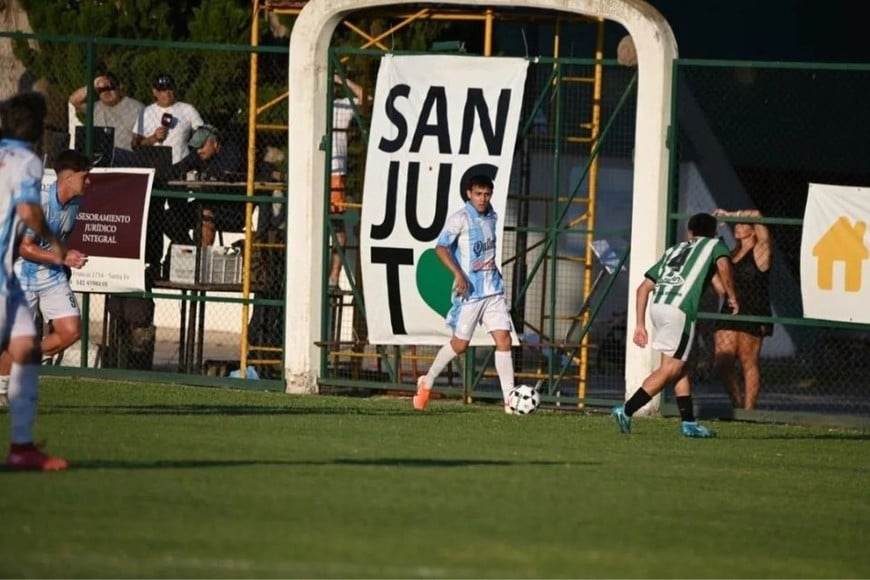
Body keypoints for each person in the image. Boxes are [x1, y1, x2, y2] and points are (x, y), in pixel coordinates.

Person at [612, 212, 739, 438]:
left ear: (690, 232)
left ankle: (689, 423)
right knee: (670, 369)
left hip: (658, 307)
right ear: (713, 233)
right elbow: (723, 264)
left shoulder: (674, 250)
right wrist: (731, 296)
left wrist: (640, 325)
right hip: (679, 311)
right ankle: (627, 409)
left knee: (679, 366)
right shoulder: (714, 245)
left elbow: (643, 289)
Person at [0, 91, 70, 470]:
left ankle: (22, 447)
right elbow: (27, 211)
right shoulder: (26, 160)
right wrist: (56, 242)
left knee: (26, 346)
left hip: (7, 280)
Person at [412, 174, 517, 414]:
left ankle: (509, 400)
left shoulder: (492, 215)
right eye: (478, 194)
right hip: (471, 293)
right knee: (460, 345)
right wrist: (458, 274)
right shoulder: (461, 218)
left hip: (493, 291)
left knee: (504, 340)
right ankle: (427, 381)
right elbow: (440, 247)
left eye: (487, 194)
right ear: (469, 194)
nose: (483, 199)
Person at [0, 149, 91, 393]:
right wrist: (63, 257)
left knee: (71, 331)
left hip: (51, 276)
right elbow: (24, 248)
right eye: (85, 176)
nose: (89, 181)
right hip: (21, 276)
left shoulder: (75, 204)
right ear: (68, 178)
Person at [712, 208, 772, 410]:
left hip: (753, 310)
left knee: (748, 361)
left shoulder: (761, 250)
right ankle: (737, 404)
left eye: (742, 223)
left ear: (753, 230)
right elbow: (721, 289)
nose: (737, 226)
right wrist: (710, 268)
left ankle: (749, 410)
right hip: (730, 309)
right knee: (722, 362)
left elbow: (757, 214)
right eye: (735, 224)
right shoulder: (730, 254)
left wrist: (729, 215)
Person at [167, 124, 245, 247]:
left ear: (215, 143)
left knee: (205, 215)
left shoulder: (231, 153)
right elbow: (178, 168)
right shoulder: (199, 155)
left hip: (230, 210)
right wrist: (166, 173)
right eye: (196, 147)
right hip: (204, 204)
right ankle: (190, 249)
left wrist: (200, 178)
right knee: (169, 217)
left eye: (202, 145)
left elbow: (224, 177)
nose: (199, 150)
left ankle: (200, 257)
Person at [327, 74, 363, 294]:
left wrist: (343, 80)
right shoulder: (307, 107)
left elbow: (365, 97)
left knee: (337, 225)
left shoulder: (340, 107)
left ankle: (333, 276)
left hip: (335, 173)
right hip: (313, 170)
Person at [68, 71, 144, 165]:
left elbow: (142, 140)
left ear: (119, 86)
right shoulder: (95, 107)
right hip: (98, 156)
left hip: (126, 156)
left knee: (112, 154)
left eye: (110, 87)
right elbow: (73, 100)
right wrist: (94, 83)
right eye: (101, 89)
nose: (106, 92)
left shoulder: (137, 108)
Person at [132, 72, 203, 164]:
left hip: (181, 163)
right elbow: (135, 144)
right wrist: (154, 138)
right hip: (153, 164)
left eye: (170, 88)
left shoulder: (188, 109)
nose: (167, 93)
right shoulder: (145, 112)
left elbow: (203, 132)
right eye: (163, 90)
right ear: (154, 92)